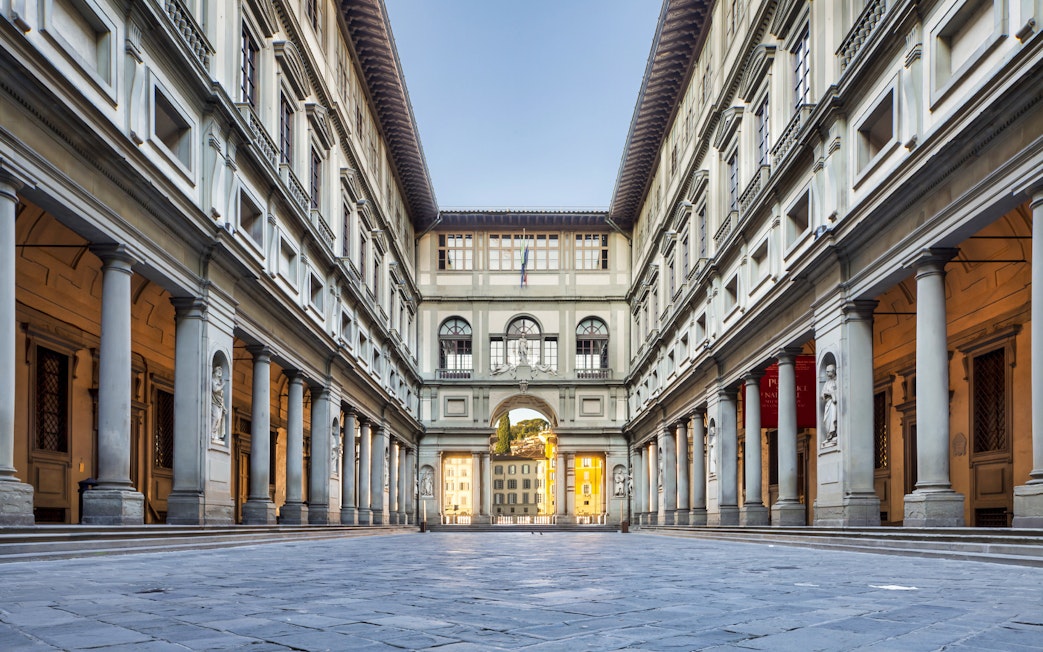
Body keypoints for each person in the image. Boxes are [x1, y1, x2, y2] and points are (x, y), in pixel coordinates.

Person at [822, 364, 839, 445]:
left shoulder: (838, 380)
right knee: (826, 420)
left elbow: (838, 393)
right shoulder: (827, 382)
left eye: (828, 371)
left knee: (834, 419)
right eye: (826, 371)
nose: (826, 373)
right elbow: (822, 394)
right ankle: (829, 436)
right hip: (828, 403)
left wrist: (832, 393)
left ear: (833, 371)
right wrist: (826, 394)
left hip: (833, 404)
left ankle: (834, 434)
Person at [211, 365, 225, 442]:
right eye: (218, 371)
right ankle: (211, 434)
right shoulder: (213, 380)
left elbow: (222, 397)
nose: (220, 373)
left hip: (220, 404)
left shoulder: (219, 382)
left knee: (219, 419)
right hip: (214, 402)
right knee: (215, 417)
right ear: (215, 372)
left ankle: (215, 434)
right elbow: (215, 389)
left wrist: (224, 407)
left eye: (221, 372)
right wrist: (222, 385)